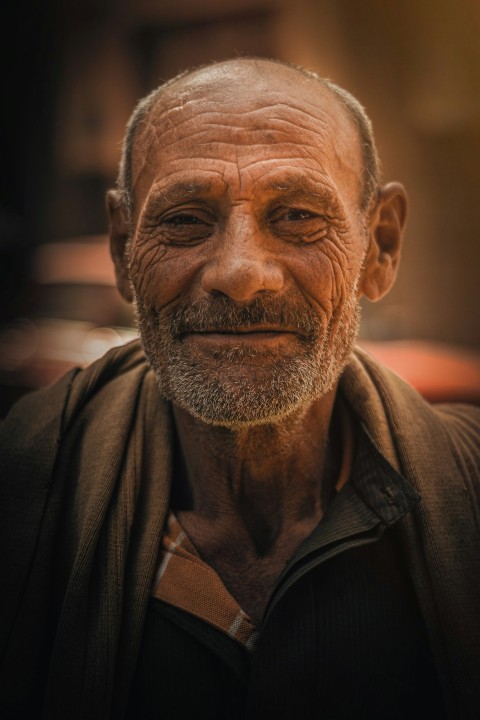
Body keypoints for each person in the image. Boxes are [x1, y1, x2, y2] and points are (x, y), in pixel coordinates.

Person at [1, 58, 479, 720]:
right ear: (122, 250)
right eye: (185, 219)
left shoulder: (470, 487)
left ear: (382, 246)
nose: (240, 273)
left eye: (298, 215)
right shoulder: (21, 484)